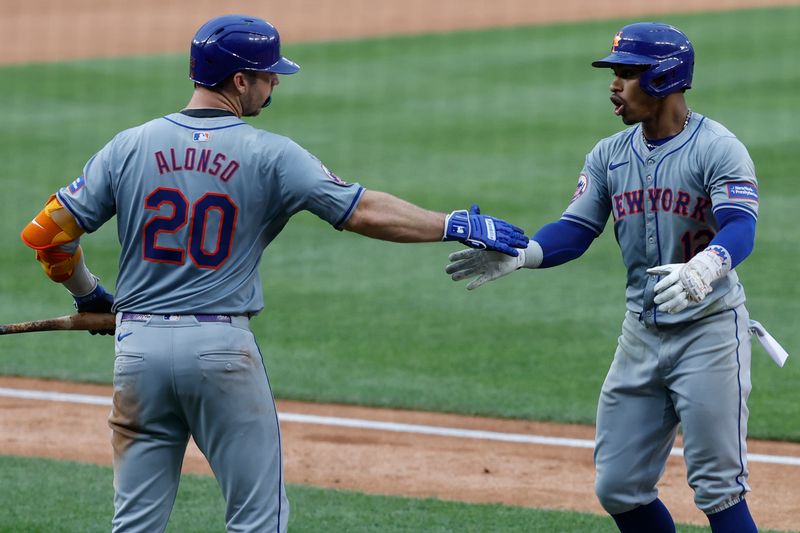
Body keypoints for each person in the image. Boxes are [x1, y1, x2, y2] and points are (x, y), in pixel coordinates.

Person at [19, 14, 527, 533]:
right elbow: (363, 212)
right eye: (268, 73)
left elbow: (46, 234)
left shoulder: (127, 145)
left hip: (137, 352)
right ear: (240, 81)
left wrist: (89, 296)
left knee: (135, 524)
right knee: (258, 520)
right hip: (219, 350)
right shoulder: (271, 154)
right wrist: (451, 223)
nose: (275, 82)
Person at [446, 22, 761, 532]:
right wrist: (524, 254)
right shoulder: (609, 155)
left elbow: (741, 226)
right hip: (640, 333)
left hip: (709, 332)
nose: (614, 85)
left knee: (719, 490)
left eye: (627, 73)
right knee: (618, 487)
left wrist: (708, 264)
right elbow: (575, 228)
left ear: (663, 77)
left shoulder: (719, 148)